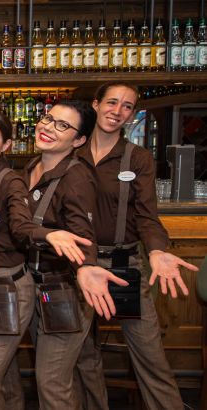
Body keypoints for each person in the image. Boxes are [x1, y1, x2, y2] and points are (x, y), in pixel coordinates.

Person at [0, 111, 90, 410]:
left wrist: (47, 235)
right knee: (5, 380)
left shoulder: (11, 181)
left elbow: (22, 227)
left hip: (5, 290)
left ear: (7, 145)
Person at [73, 82, 198, 409]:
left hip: (123, 265)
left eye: (127, 106)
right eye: (112, 102)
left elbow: (147, 215)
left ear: (131, 114)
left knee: (150, 356)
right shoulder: (72, 153)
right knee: (83, 356)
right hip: (80, 268)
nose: (118, 111)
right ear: (97, 104)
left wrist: (157, 250)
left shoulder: (137, 158)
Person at [22, 100, 128, 409]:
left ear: (79, 140)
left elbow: (84, 235)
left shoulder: (76, 177)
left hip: (65, 291)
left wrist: (86, 266)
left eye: (62, 126)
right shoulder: (34, 166)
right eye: (48, 118)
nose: (47, 127)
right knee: (70, 376)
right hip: (39, 287)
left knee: (52, 381)